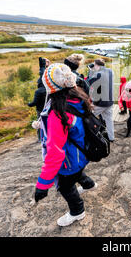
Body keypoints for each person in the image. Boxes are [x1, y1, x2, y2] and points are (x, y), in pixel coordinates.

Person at [34, 63, 97, 227]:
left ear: (51, 87)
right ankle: (89, 184)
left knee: (65, 185)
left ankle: (77, 211)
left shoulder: (58, 113)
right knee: (77, 173)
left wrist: (43, 184)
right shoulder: (78, 96)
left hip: (70, 159)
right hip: (82, 151)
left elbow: (55, 153)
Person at [88, 59, 115, 142]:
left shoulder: (98, 74)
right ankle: (111, 138)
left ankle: (92, 134)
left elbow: (89, 82)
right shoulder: (110, 71)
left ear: (97, 65)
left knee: (89, 116)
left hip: (100, 103)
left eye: (94, 65)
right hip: (110, 101)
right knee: (109, 120)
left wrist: (90, 71)